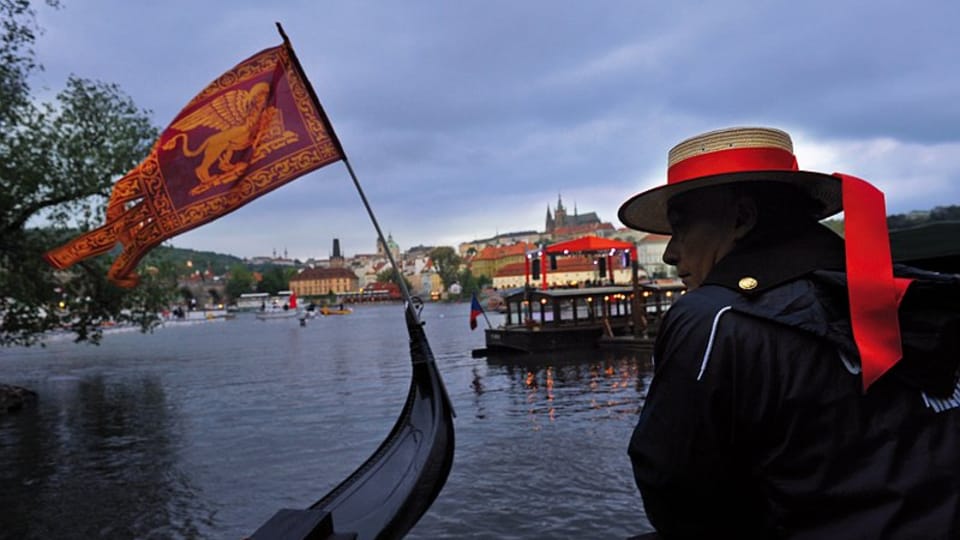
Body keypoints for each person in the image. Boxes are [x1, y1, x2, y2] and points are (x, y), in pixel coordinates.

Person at [617, 126, 960, 539]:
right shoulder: (913, 294)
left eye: (681, 225)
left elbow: (672, 491)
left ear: (742, 219)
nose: (672, 253)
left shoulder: (714, 318)